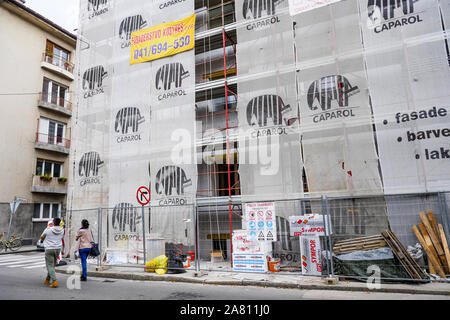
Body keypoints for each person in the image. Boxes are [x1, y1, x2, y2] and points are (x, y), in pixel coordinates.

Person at [40, 217, 64, 288]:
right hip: (58, 249)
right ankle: (47, 279)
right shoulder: (62, 230)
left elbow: (42, 237)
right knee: (52, 265)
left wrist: (42, 240)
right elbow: (61, 237)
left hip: (49, 249)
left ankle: (54, 281)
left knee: (50, 265)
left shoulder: (48, 229)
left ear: (54, 222)